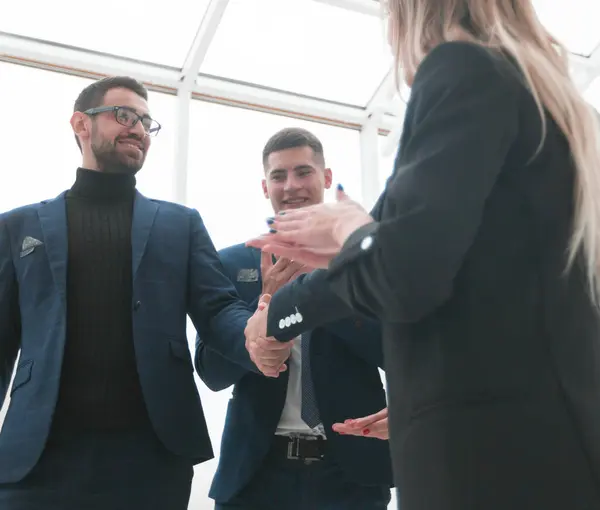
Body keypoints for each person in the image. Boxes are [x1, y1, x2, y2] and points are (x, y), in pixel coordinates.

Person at [245, 1, 600, 509]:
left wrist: (349, 229)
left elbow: (400, 270)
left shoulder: (462, 69)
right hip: (541, 437)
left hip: (489, 456)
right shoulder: (555, 103)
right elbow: (483, 281)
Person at [0, 76, 257, 509]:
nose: (138, 128)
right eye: (124, 115)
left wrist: (259, 329)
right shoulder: (17, 227)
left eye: (146, 121)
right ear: (81, 124)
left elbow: (217, 312)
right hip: (38, 458)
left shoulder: (182, 224)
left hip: (150, 458)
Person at [195, 127, 393, 509]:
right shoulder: (231, 263)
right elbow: (211, 373)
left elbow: (394, 351)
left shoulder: (365, 264)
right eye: (278, 176)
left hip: (351, 473)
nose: (292, 185)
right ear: (265, 187)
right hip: (254, 474)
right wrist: (268, 305)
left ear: (327, 178)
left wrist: (318, 292)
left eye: (303, 172)